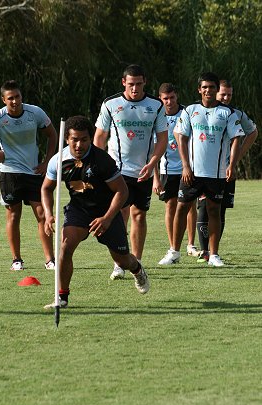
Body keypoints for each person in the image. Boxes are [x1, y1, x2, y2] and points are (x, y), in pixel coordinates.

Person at [42, 116, 149, 309]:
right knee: (65, 248)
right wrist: (48, 215)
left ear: (90, 139)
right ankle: (62, 298)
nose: (79, 144)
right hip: (79, 210)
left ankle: (137, 269)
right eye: (74, 139)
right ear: (67, 139)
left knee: (122, 261)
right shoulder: (58, 160)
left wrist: (107, 218)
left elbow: (122, 191)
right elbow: (46, 189)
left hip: (107, 210)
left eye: (84, 139)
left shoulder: (102, 160)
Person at [0, 80, 57, 270]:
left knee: (42, 214)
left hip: (33, 172)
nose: (15, 101)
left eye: (17, 97)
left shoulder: (35, 113)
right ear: (3, 100)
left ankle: (50, 260)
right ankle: (16, 260)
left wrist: (47, 162)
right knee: (14, 216)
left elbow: (52, 134)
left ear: (21, 96)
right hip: (9, 174)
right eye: (10, 98)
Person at [93, 64, 168, 279]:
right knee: (119, 216)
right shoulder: (111, 104)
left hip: (144, 171)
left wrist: (153, 162)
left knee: (139, 214)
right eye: (131, 84)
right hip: (118, 172)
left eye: (139, 84)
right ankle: (119, 263)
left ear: (145, 82)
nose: (135, 88)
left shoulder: (155, 105)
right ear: (123, 82)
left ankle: (137, 260)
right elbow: (100, 137)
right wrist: (100, 167)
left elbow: (162, 138)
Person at [164, 72, 244, 267]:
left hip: (216, 173)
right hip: (191, 172)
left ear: (217, 90)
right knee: (181, 207)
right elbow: (180, 137)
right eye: (205, 87)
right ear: (199, 89)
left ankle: (214, 255)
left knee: (214, 211)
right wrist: (185, 166)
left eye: (212, 87)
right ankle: (174, 252)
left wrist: (231, 165)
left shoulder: (228, 113)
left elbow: (236, 139)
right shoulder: (190, 110)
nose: (208, 90)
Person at [196, 79, 258, 262]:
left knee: (220, 209)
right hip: (204, 170)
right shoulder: (200, 111)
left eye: (229, 95)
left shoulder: (235, 114)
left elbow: (252, 132)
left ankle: (214, 252)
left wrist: (236, 157)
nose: (226, 97)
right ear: (215, 92)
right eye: (223, 94)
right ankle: (203, 251)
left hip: (226, 171)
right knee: (202, 207)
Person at [153, 83, 200, 265]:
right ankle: (173, 246)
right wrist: (155, 178)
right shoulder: (157, 116)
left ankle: (191, 244)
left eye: (172, 97)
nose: (169, 101)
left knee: (189, 205)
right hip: (166, 169)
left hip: (187, 168)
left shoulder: (186, 113)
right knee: (171, 206)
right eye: (165, 98)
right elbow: (153, 150)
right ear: (160, 99)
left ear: (177, 96)